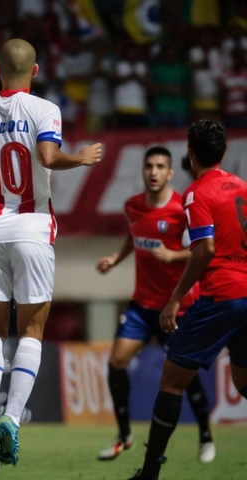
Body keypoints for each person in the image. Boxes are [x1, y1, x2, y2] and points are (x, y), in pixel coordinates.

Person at [0, 39, 101, 475]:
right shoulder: (45, 109)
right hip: (32, 227)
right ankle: (11, 418)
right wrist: (79, 159)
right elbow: (48, 156)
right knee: (30, 329)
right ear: (37, 69)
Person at [131, 121, 247, 479]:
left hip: (223, 296)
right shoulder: (243, 187)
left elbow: (204, 250)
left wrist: (175, 299)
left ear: (190, 154)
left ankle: (149, 472)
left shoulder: (197, 193)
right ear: (224, 152)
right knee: (243, 383)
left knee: (171, 379)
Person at [95, 146, 215, 463]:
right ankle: (125, 435)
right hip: (142, 305)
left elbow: (204, 250)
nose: (153, 172)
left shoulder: (181, 209)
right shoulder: (132, 207)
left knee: (183, 378)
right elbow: (134, 237)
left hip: (177, 308)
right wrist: (115, 259)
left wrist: (174, 255)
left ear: (170, 172)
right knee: (116, 362)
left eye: (160, 166)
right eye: (149, 166)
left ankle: (205, 434)